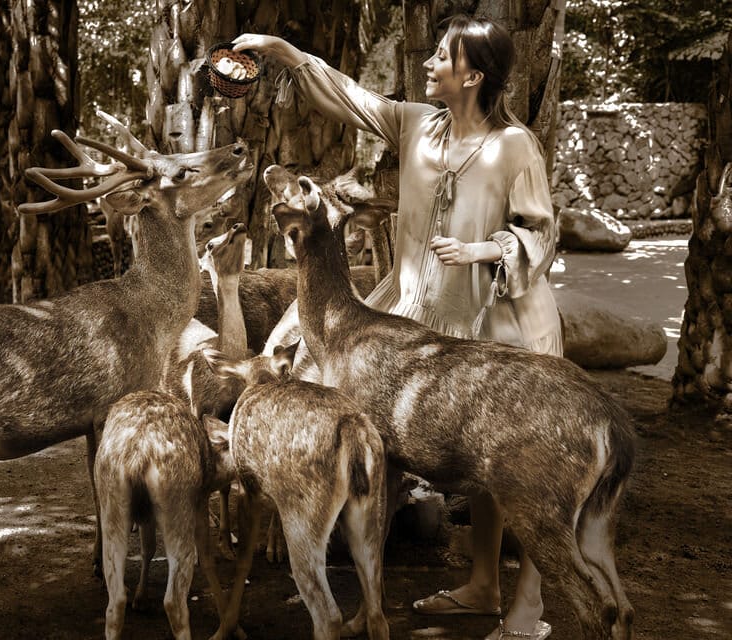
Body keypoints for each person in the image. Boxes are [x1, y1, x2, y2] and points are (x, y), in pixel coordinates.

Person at [233, 14, 561, 640]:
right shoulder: (415, 125)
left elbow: (541, 233)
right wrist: (284, 52)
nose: (429, 63)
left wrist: (484, 250)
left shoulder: (515, 146)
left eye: (442, 56)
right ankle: (482, 586)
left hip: (500, 323)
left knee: (516, 466)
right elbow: (351, 98)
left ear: (474, 76)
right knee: (469, 464)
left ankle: (528, 610)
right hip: (419, 320)